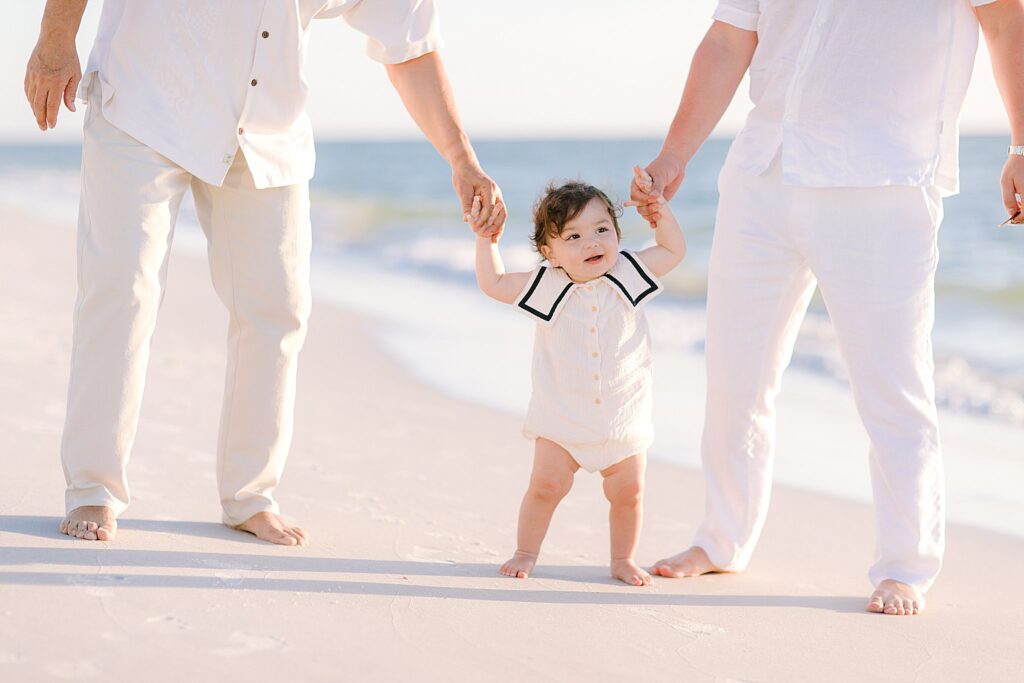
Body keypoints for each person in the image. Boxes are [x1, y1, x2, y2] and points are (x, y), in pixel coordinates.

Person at [24, 0, 504, 545]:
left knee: (277, 307)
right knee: (122, 290)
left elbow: (411, 45)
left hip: (266, 128)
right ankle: (94, 487)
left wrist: (461, 159)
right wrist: (56, 36)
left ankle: (251, 496)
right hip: (144, 98)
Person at [629, 0, 1024, 615]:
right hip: (762, 171)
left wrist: (1023, 142)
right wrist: (675, 153)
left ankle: (904, 566)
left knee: (891, 386)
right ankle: (722, 537)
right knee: (736, 375)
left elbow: (1005, 20)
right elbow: (730, 39)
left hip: (883, 179)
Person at [474, 170, 687, 586]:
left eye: (602, 230)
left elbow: (673, 249)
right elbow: (493, 283)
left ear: (617, 236)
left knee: (629, 494)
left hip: (622, 418)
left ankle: (622, 559)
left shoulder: (628, 273)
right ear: (548, 252)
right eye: (573, 237)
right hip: (563, 420)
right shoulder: (547, 285)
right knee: (546, 487)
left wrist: (659, 213)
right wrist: (487, 241)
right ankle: (525, 551)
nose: (591, 242)